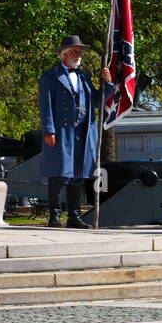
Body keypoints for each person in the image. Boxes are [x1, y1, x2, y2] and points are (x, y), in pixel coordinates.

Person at [37, 36, 112, 228]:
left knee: (79, 173)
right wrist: (48, 130)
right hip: (61, 130)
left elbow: (97, 102)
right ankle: (54, 216)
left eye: (80, 51)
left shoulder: (84, 76)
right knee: (60, 173)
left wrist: (106, 83)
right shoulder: (50, 76)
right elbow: (45, 106)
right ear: (65, 53)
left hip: (84, 131)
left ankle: (74, 216)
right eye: (75, 51)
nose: (79, 55)